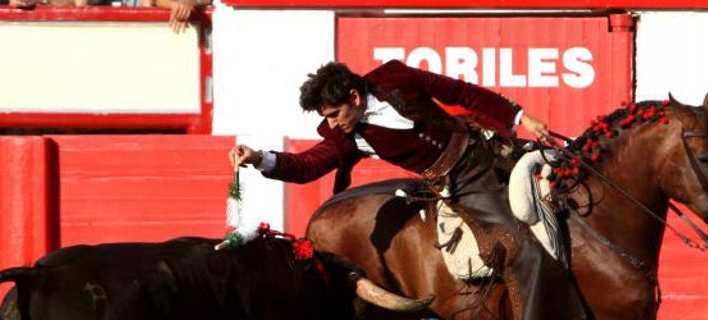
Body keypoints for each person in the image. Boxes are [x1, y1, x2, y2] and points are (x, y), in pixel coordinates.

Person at [228, 60, 586, 320]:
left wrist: (520, 117)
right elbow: (307, 166)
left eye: (335, 113)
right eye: (327, 117)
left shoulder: (396, 76)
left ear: (354, 95)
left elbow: (459, 91)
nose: (331, 123)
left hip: (491, 149)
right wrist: (259, 158)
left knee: (572, 186)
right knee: (525, 251)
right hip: (463, 184)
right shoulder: (348, 136)